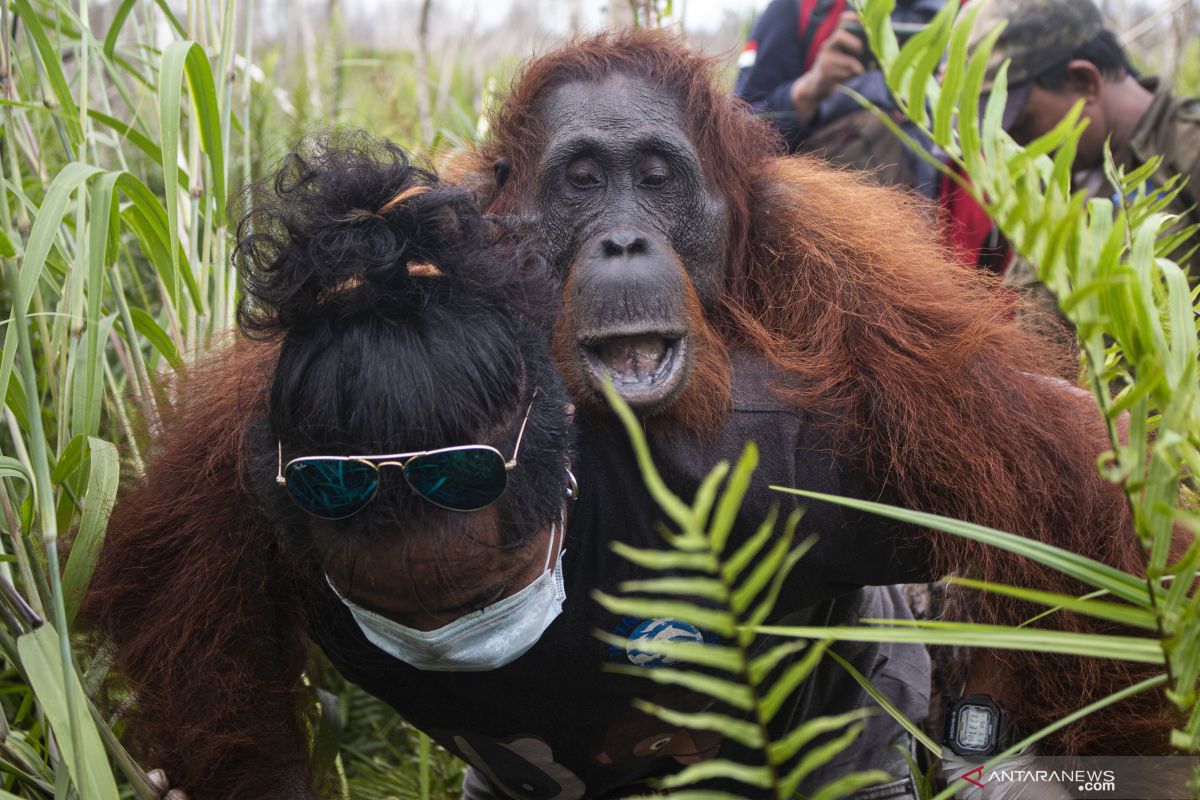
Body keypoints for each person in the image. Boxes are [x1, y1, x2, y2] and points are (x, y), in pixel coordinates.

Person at [86, 130, 933, 799]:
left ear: (560, 460)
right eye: (390, 614)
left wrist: (1002, 754)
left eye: (475, 600)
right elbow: (210, 699)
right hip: (537, 763)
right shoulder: (256, 492)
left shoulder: (767, 455)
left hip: (801, 725)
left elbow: (1039, 521)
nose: (438, 640)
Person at [971, 0, 1200, 298]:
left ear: (1084, 81)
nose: (1016, 148)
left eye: (1023, 125)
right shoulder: (1049, 185)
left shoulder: (1188, 148)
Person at [735, 0, 946, 194]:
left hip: (941, 205)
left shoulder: (965, 16)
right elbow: (737, 131)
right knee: (879, 129)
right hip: (824, 208)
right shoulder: (800, 9)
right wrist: (808, 89)